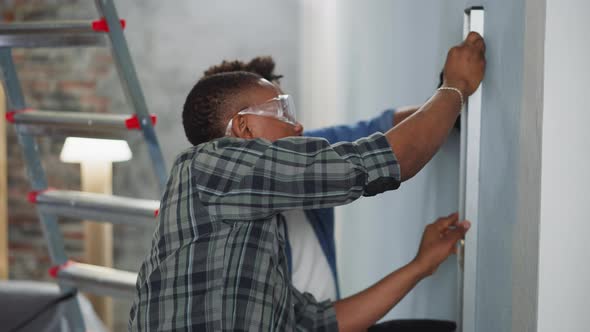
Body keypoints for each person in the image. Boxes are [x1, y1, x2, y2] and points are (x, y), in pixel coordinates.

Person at [129, 32, 485, 331]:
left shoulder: (252, 248)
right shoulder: (212, 165)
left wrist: (419, 266)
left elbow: (319, 323)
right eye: (282, 111)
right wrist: (456, 86)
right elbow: (379, 161)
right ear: (244, 127)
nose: (298, 127)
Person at [200, 56, 419, 302]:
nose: (296, 125)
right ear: (244, 126)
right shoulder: (218, 202)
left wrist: (450, 104)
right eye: (277, 112)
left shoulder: (307, 153)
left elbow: (381, 131)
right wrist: (453, 90)